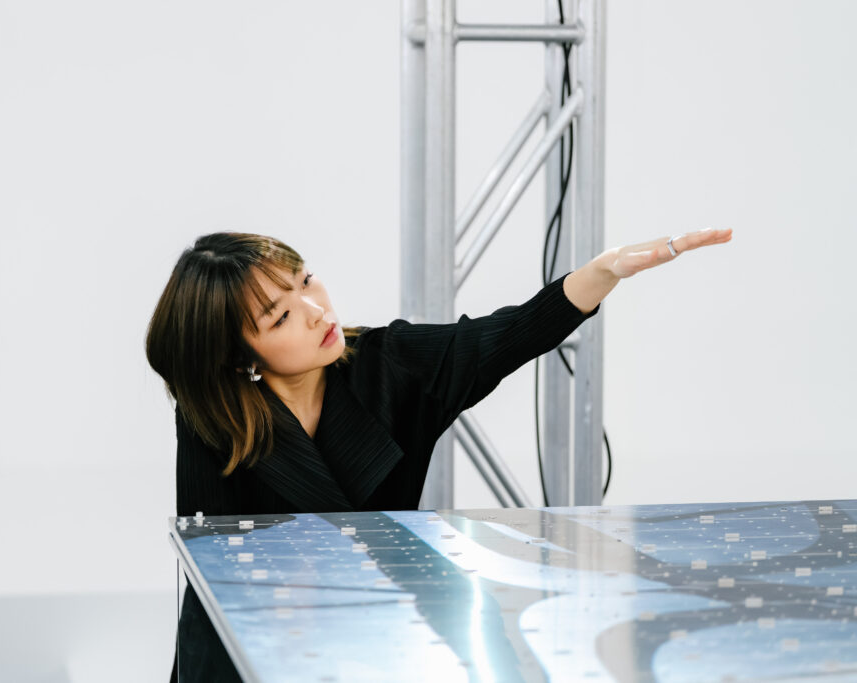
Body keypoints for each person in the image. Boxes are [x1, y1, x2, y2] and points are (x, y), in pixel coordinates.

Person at [145, 228, 732, 682]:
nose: (317, 310)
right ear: (240, 357)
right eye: (281, 315)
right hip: (251, 648)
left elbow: (507, 334)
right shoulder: (212, 420)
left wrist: (604, 271)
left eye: (306, 281)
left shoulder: (389, 364)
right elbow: (213, 570)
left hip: (375, 632)